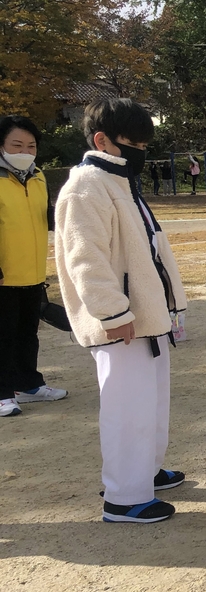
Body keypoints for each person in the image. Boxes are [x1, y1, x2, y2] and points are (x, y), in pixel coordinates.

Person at [54, 98, 188, 522]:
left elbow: (149, 245)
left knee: (150, 403)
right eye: (134, 142)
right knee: (126, 407)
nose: (141, 151)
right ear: (102, 140)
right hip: (123, 321)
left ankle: (144, 471)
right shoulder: (85, 186)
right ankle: (124, 497)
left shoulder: (120, 181)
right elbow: (84, 259)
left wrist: (169, 304)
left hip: (148, 315)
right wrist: (112, 313)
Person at [0, 115, 68, 418]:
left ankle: (28, 385)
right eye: (17, 145)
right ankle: (2, 393)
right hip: (4, 275)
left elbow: (47, 217)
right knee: (3, 335)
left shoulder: (38, 176)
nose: (24, 151)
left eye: (31, 146)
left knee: (28, 333)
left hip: (33, 272)